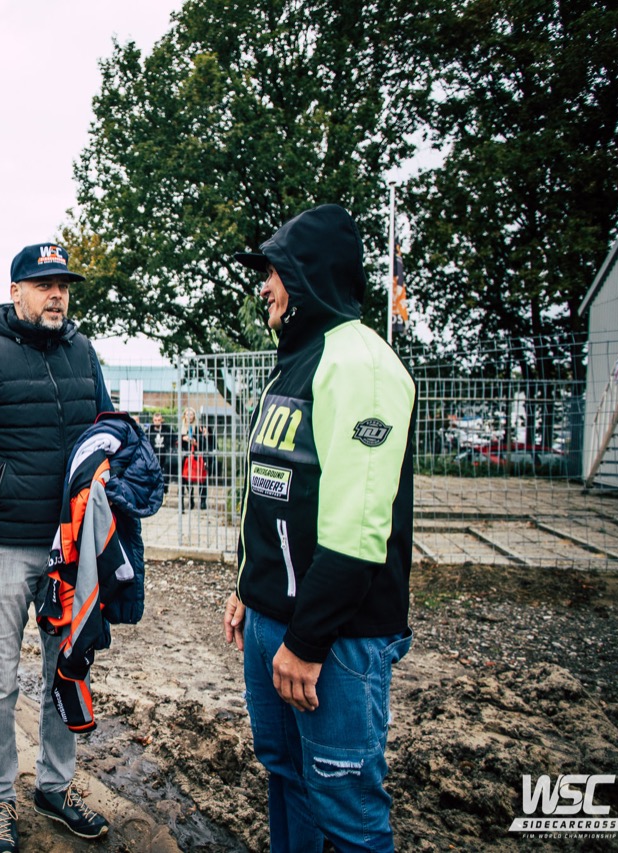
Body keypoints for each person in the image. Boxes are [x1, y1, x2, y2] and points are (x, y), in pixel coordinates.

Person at [223, 204, 416, 852]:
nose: (264, 287)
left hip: (333, 641)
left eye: (273, 272)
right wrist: (248, 588)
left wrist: (306, 643)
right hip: (271, 622)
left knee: (347, 808)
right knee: (286, 775)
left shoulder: (361, 366)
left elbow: (357, 531)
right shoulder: (297, 361)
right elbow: (273, 493)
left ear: (307, 274)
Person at [0, 242, 114, 853]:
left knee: (66, 669)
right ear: (16, 292)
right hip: (5, 544)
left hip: (70, 546)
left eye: (64, 285)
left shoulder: (84, 352)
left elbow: (106, 429)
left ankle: (55, 787)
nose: (57, 295)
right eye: (43, 285)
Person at [178, 407, 213, 510]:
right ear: (184, 416)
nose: (189, 416)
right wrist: (183, 438)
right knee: (185, 479)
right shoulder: (181, 429)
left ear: (194, 416)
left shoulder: (198, 428)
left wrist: (195, 442)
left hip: (197, 457)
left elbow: (204, 443)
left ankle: (203, 501)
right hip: (185, 457)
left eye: (191, 414)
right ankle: (189, 499)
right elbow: (175, 442)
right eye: (187, 414)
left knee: (202, 479)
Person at [145, 411, 177, 482]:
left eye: (159, 420)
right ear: (153, 420)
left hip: (165, 457)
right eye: (155, 420)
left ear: (162, 420)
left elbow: (174, 439)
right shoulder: (149, 431)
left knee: (165, 477)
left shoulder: (167, 430)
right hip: (153, 457)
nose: (157, 422)